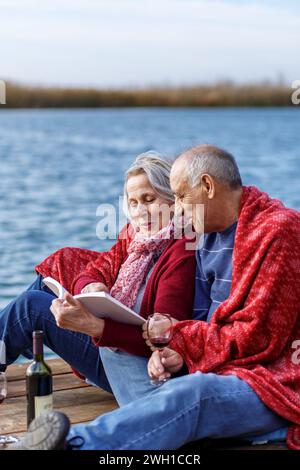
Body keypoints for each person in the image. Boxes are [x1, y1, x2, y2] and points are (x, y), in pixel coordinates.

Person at [9, 144, 300, 451]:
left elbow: (256, 339)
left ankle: (71, 444)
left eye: (180, 196)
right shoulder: (206, 233)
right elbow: (200, 322)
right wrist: (176, 350)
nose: (175, 207)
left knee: (192, 394)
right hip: (219, 367)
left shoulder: (276, 231)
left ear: (207, 186)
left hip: (274, 380)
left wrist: (173, 336)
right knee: (185, 389)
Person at [0, 151, 196, 406]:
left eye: (149, 199)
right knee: (45, 286)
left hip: (129, 366)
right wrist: (92, 286)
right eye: (133, 202)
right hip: (111, 346)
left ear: (172, 201)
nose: (140, 212)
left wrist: (92, 324)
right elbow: (97, 268)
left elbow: (163, 339)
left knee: (30, 307)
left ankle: (12, 344)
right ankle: (10, 346)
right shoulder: (138, 238)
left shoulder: (181, 252)